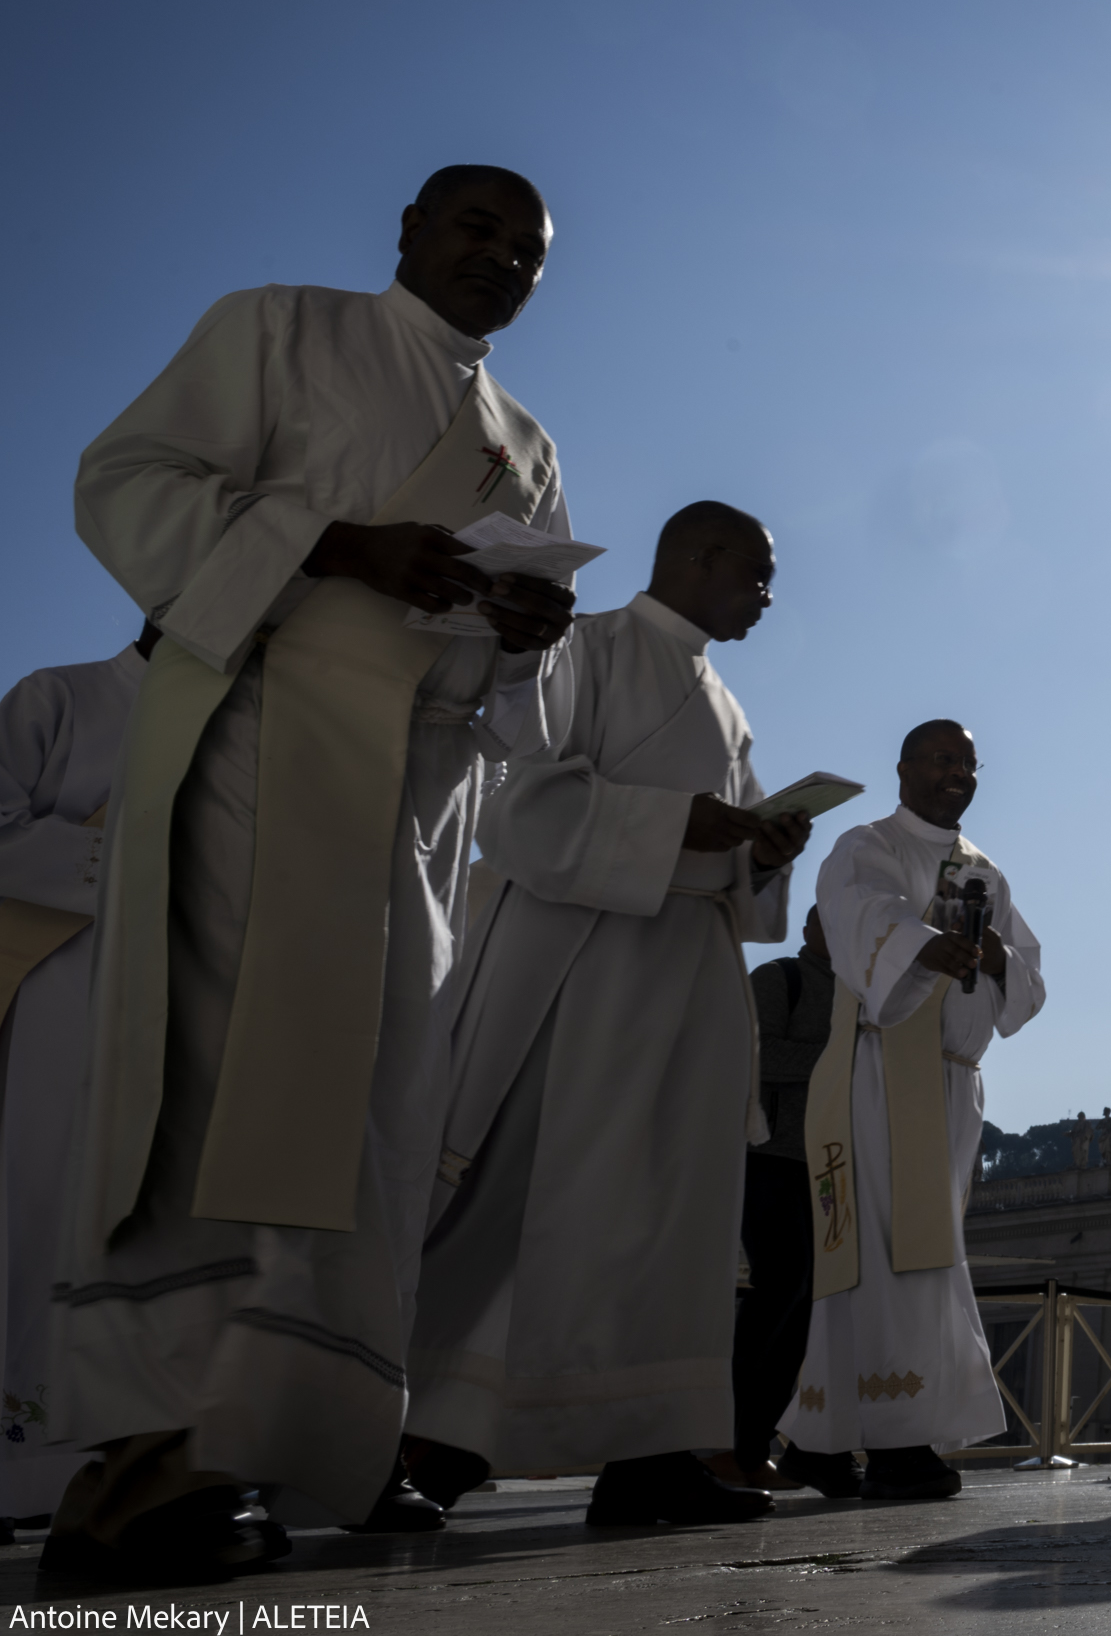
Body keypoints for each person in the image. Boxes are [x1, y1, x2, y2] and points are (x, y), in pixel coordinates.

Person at [54, 165, 578, 1577]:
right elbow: (126, 482)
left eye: (528, 250)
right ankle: (154, 1463)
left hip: (405, 806)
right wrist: (342, 544)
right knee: (228, 1091)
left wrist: (524, 631)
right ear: (408, 229)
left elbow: (501, 698)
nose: (500, 259)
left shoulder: (525, 443)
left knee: (369, 1120)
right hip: (254, 741)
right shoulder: (280, 327)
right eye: (476, 228)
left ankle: (301, 1440)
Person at [405, 502, 806, 1526]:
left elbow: (736, 852)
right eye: (758, 573)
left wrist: (762, 851)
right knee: (532, 1199)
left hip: (684, 976)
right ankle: (432, 1434)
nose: (768, 595)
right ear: (700, 556)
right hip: (586, 971)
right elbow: (519, 803)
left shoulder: (722, 698)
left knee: (673, 1219)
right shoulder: (587, 650)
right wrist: (679, 823)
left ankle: (652, 1452)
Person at [780, 721, 1046, 1499]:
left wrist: (993, 954)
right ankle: (898, 1443)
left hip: (953, 1083)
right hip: (881, 1069)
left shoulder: (986, 872)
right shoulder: (865, 844)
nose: (955, 772)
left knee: (919, 1253)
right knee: (892, 1256)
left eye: (966, 761)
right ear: (903, 769)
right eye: (939, 758)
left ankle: (820, 1440)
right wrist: (924, 943)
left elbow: (1025, 974)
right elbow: (860, 915)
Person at [0, 628, 155, 1538]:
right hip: (49, 991)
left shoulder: (258, 727)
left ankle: (118, 1467)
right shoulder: (62, 695)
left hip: (174, 1006)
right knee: (26, 1215)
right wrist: (133, 866)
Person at [728, 905, 837, 1494]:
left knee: (806, 1306)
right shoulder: (778, 980)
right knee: (783, 1288)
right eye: (829, 919)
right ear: (808, 929)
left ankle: (755, 1441)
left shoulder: (865, 997)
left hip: (828, 1169)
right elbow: (755, 1053)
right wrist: (836, 1060)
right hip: (768, 1157)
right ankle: (732, 1438)